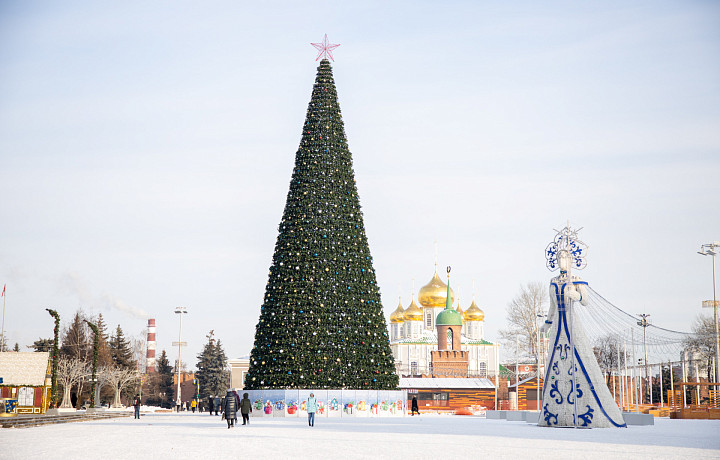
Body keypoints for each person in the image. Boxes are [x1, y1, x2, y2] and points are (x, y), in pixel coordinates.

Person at [538, 247, 626, 428]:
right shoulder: (553, 281)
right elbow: (552, 307)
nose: (562, 260)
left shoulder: (576, 280)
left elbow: (585, 300)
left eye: (565, 257)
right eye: (559, 257)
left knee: (579, 355)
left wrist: (576, 295)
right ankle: (557, 411)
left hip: (571, 321)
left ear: (571, 259)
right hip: (557, 327)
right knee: (556, 361)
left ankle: (586, 407)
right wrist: (547, 322)